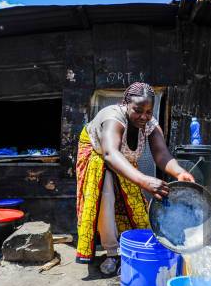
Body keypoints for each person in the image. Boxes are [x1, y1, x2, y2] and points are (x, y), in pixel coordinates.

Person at [75, 82, 195, 274]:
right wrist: (144, 180)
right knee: (105, 197)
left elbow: (161, 154)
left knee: (134, 204)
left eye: (148, 111)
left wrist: (179, 172)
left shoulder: (150, 124)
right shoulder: (112, 117)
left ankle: (129, 247)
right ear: (125, 104)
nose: (144, 117)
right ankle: (112, 253)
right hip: (98, 153)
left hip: (122, 158)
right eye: (138, 110)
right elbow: (110, 154)